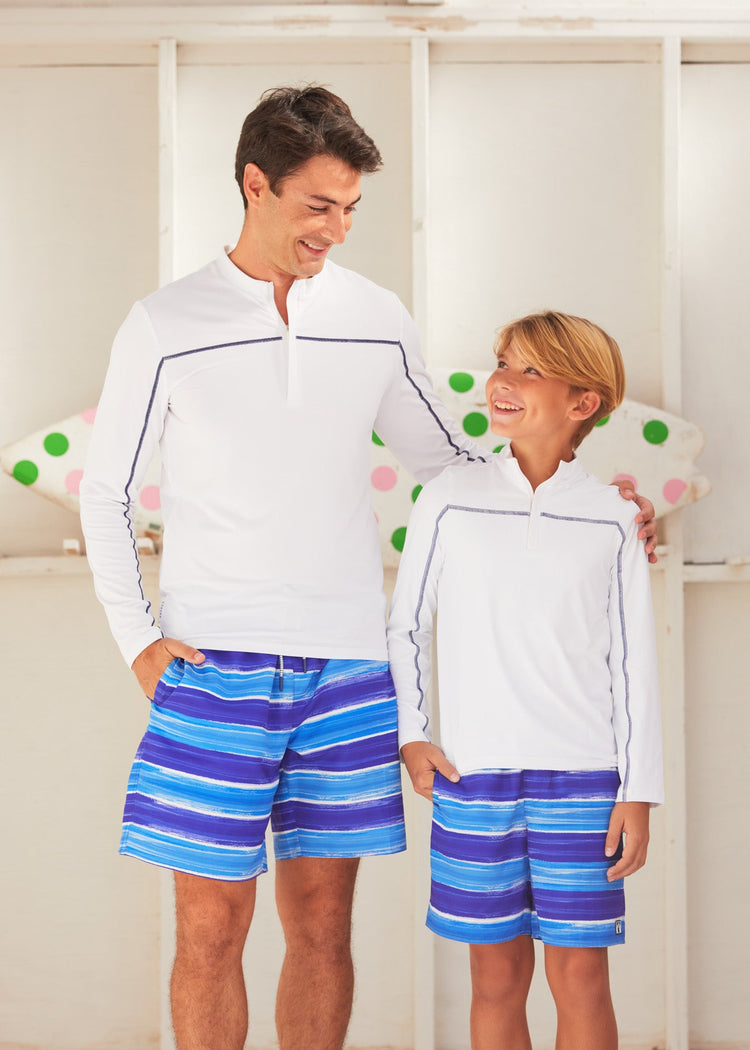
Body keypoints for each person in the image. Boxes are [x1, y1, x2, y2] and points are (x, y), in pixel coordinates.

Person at [80, 86, 657, 1050]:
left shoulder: (376, 317)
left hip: (349, 667)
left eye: (352, 208)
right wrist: (139, 639)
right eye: (319, 206)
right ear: (255, 187)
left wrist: (586, 497)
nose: (338, 230)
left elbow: (453, 463)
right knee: (210, 931)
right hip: (210, 665)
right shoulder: (165, 323)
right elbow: (107, 491)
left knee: (322, 930)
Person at [387, 311, 664, 1050]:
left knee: (581, 979)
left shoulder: (612, 519)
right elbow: (406, 624)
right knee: (496, 981)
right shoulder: (448, 497)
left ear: (585, 403)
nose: (503, 382)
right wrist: (413, 736)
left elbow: (636, 661)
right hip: (473, 777)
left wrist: (638, 789)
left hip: (586, 780)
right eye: (502, 362)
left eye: (532, 370)